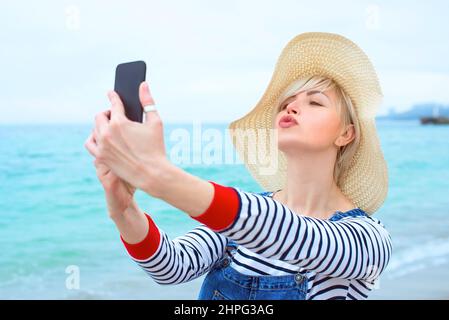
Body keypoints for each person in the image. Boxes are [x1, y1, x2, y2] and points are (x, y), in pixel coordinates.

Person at [84, 32, 392, 300]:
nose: (292, 106)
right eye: (287, 103)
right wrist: (123, 210)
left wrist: (160, 177)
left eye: (315, 102)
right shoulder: (241, 222)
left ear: (345, 133)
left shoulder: (368, 239)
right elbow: (170, 267)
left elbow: (293, 235)